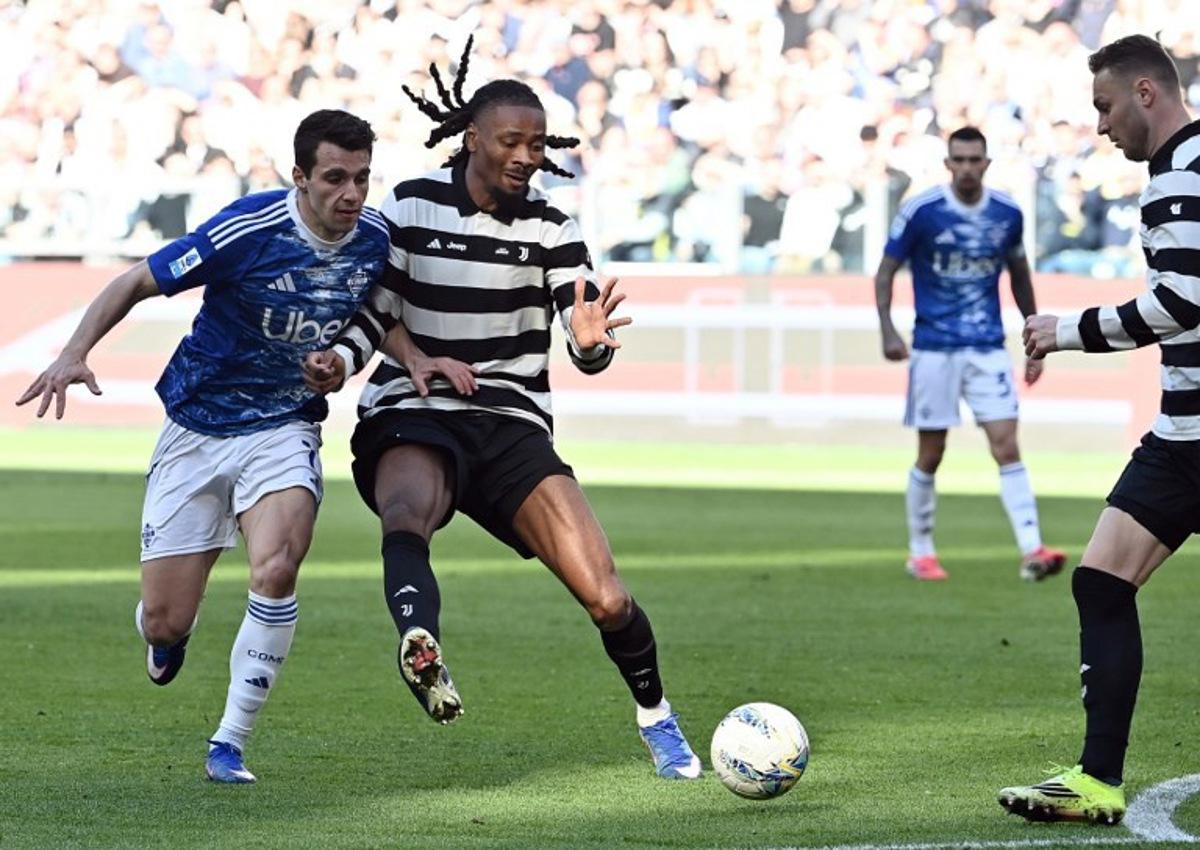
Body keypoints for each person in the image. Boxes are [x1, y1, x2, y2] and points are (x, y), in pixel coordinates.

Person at [303, 39, 702, 780]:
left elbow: (584, 334)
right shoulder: (412, 206)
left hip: (511, 420)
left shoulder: (552, 225)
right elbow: (373, 313)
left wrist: (590, 346)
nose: (526, 154)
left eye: (537, 142)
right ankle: (419, 639)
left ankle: (658, 717)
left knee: (608, 598)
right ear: (473, 140)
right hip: (415, 405)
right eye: (512, 141)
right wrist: (341, 362)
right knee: (406, 510)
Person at [16, 109, 399, 785]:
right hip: (196, 427)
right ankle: (167, 637)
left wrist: (376, 358)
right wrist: (74, 352)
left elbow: (378, 315)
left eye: (362, 178)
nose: (351, 194)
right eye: (335, 178)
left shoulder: (374, 240)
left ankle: (230, 742)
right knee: (165, 620)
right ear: (301, 178)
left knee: (277, 568)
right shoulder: (246, 229)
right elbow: (136, 279)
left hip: (283, 427)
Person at [999, 34, 1198, 826]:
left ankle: (1097, 776)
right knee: (1102, 580)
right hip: (1183, 435)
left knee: (1103, 584)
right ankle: (1096, 780)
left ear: (1147, 93)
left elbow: (1182, 302)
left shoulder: (1179, 180)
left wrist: (1065, 331)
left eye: (1106, 107)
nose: (1103, 126)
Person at [874, 126, 1067, 582]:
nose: (965, 168)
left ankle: (1031, 549)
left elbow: (1019, 275)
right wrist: (887, 329)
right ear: (947, 164)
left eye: (973, 160)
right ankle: (921, 551)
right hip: (934, 348)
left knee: (1007, 445)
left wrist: (1034, 337)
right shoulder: (922, 211)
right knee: (932, 452)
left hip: (986, 348)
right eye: (957, 160)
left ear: (986, 163)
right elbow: (885, 272)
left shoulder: (1006, 213)